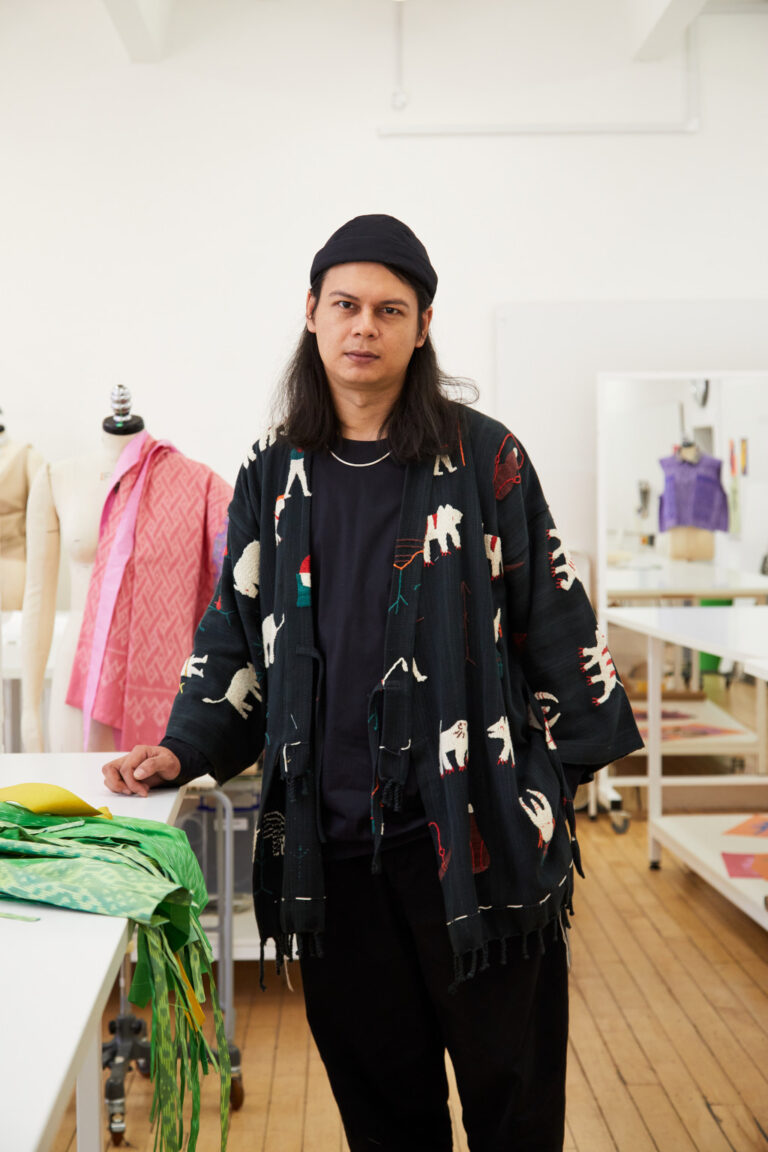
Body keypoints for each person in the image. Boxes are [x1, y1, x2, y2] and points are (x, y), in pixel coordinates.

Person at [104, 214, 642, 1152]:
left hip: (479, 850)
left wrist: (542, 792)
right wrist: (181, 747)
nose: (365, 326)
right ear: (311, 314)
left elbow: (555, 620)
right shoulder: (274, 476)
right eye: (345, 305)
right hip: (333, 855)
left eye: (390, 309)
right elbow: (233, 637)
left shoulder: (486, 459)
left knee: (515, 1111)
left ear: (422, 326)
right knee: (384, 1117)